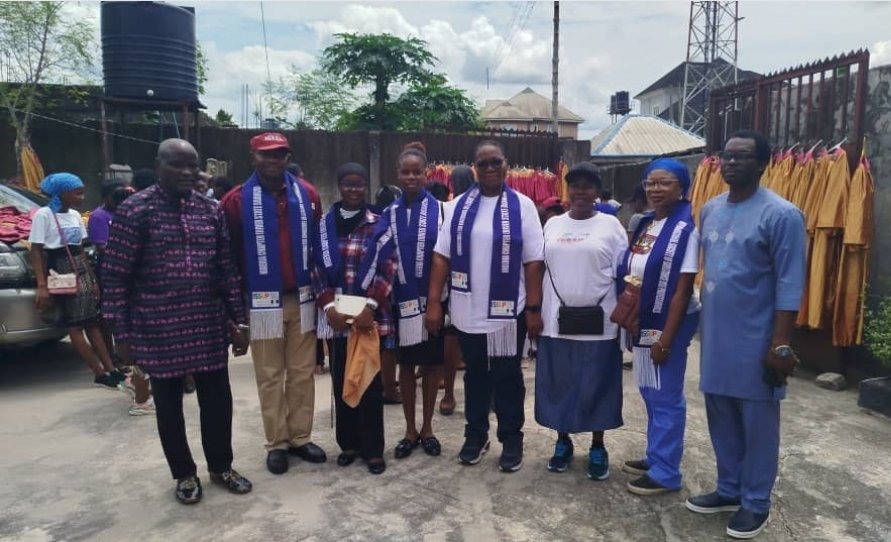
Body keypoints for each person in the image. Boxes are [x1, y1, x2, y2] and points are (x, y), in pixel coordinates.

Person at [102, 139, 253, 505]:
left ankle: (221, 466)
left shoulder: (210, 210)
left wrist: (239, 319)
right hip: (158, 328)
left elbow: (226, 269)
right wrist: (121, 333)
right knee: (170, 409)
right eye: (176, 165)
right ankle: (184, 474)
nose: (187, 173)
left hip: (207, 325)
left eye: (192, 166)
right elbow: (115, 276)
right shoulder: (135, 210)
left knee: (218, 403)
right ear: (158, 166)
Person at [687, 130, 806, 539]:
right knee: (720, 414)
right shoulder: (710, 210)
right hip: (716, 335)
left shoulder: (782, 214)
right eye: (726, 156)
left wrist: (781, 344)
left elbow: (790, 284)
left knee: (757, 422)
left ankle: (756, 502)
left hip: (758, 338)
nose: (731, 163)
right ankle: (729, 488)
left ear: (762, 163)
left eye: (741, 157)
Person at [426, 140, 545, 473]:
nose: (490, 168)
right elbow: (441, 256)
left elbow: (534, 261)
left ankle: (511, 438)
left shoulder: (523, 207)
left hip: (509, 313)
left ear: (506, 165)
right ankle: (476, 435)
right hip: (467, 309)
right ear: (474, 168)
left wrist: (534, 310)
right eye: (484, 163)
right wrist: (434, 303)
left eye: (496, 162)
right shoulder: (457, 207)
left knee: (508, 377)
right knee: (476, 376)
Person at [220, 133, 328, 475]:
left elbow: (317, 247)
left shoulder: (307, 194)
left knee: (302, 374)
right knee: (269, 375)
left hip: (303, 298)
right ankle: (277, 442)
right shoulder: (236, 201)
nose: (273, 160)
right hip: (262, 302)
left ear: (287, 157)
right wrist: (235, 312)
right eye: (266, 155)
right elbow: (229, 258)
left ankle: (300, 437)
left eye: (279, 154)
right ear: (253, 157)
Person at [535, 162, 628, 481]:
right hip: (555, 320)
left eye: (588, 186)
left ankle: (598, 446)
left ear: (597, 192)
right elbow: (541, 268)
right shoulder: (553, 225)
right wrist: (534, 311)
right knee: (560, 384)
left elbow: (623, 274)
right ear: (567, 190)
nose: (581, 192)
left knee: (597, 386)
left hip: (601, 322)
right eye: (575, 186)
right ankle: (562, 443)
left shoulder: (611, 226)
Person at [617, 158, 701, 496]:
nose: (655, 189)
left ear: (682, 188)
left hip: (670, 320)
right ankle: (656, 456)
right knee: (649, 389)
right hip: (644, 316)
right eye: (651, 183)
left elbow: (682, 288)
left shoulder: (687, 228)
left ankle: (667, 472)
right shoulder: (648, 223)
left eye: (664, 183)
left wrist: (666, 338)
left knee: (666, 394)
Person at [361, 142, 445, 460]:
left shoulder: (441, 210)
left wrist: (441, 299)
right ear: (398, 174)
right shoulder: (389, 213)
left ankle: (428, 428)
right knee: (406, 366)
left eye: (417, 172)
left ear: (426, 173)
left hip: (435, 302)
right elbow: (377, 251)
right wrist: (366, 294)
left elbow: (447, 255)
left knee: (432, 365)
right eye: (405, 172)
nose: (411, 177)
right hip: (401, 303)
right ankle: (410, 430)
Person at [313, 162, 396, 475]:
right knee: (341, 381)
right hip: (336, 320)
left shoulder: (379, 223)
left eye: (359, 184)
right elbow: (316, 270)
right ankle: (348, 444)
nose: (353, 189)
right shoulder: (323, 226)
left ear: (366, 186)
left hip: (367, 320)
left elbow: (390, 268)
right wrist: (327, 308)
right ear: (338, 186)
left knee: (370, 383)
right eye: (347, 184)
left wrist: (370, 307)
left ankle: (373, 449)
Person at [29, 173, 125, 391]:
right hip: (59, 268)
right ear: (62, 193)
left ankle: (111, 369)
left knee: (92, 321)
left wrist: (93, 280)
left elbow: (80, 248)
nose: (82, 196)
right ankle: (99, 372)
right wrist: (42, 285)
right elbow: (37, 251)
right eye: (77, 192)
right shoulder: (44, 215)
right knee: (76, 325)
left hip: (80, 267)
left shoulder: (74, 215)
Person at [438, 165, 475, 416]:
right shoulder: (480, 206)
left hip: (453, 283)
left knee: (451, 340)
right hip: (479, 284)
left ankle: (449, 395)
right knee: (480, 345)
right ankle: (484, 394)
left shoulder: (445, 208)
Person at [373, 183, 404, 404]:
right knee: (389, 343)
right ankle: (389, 388)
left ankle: (381, 385)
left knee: (379, 342)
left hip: (374, 289)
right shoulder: (392, 221)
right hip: (390, 291)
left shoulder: (373, 221)